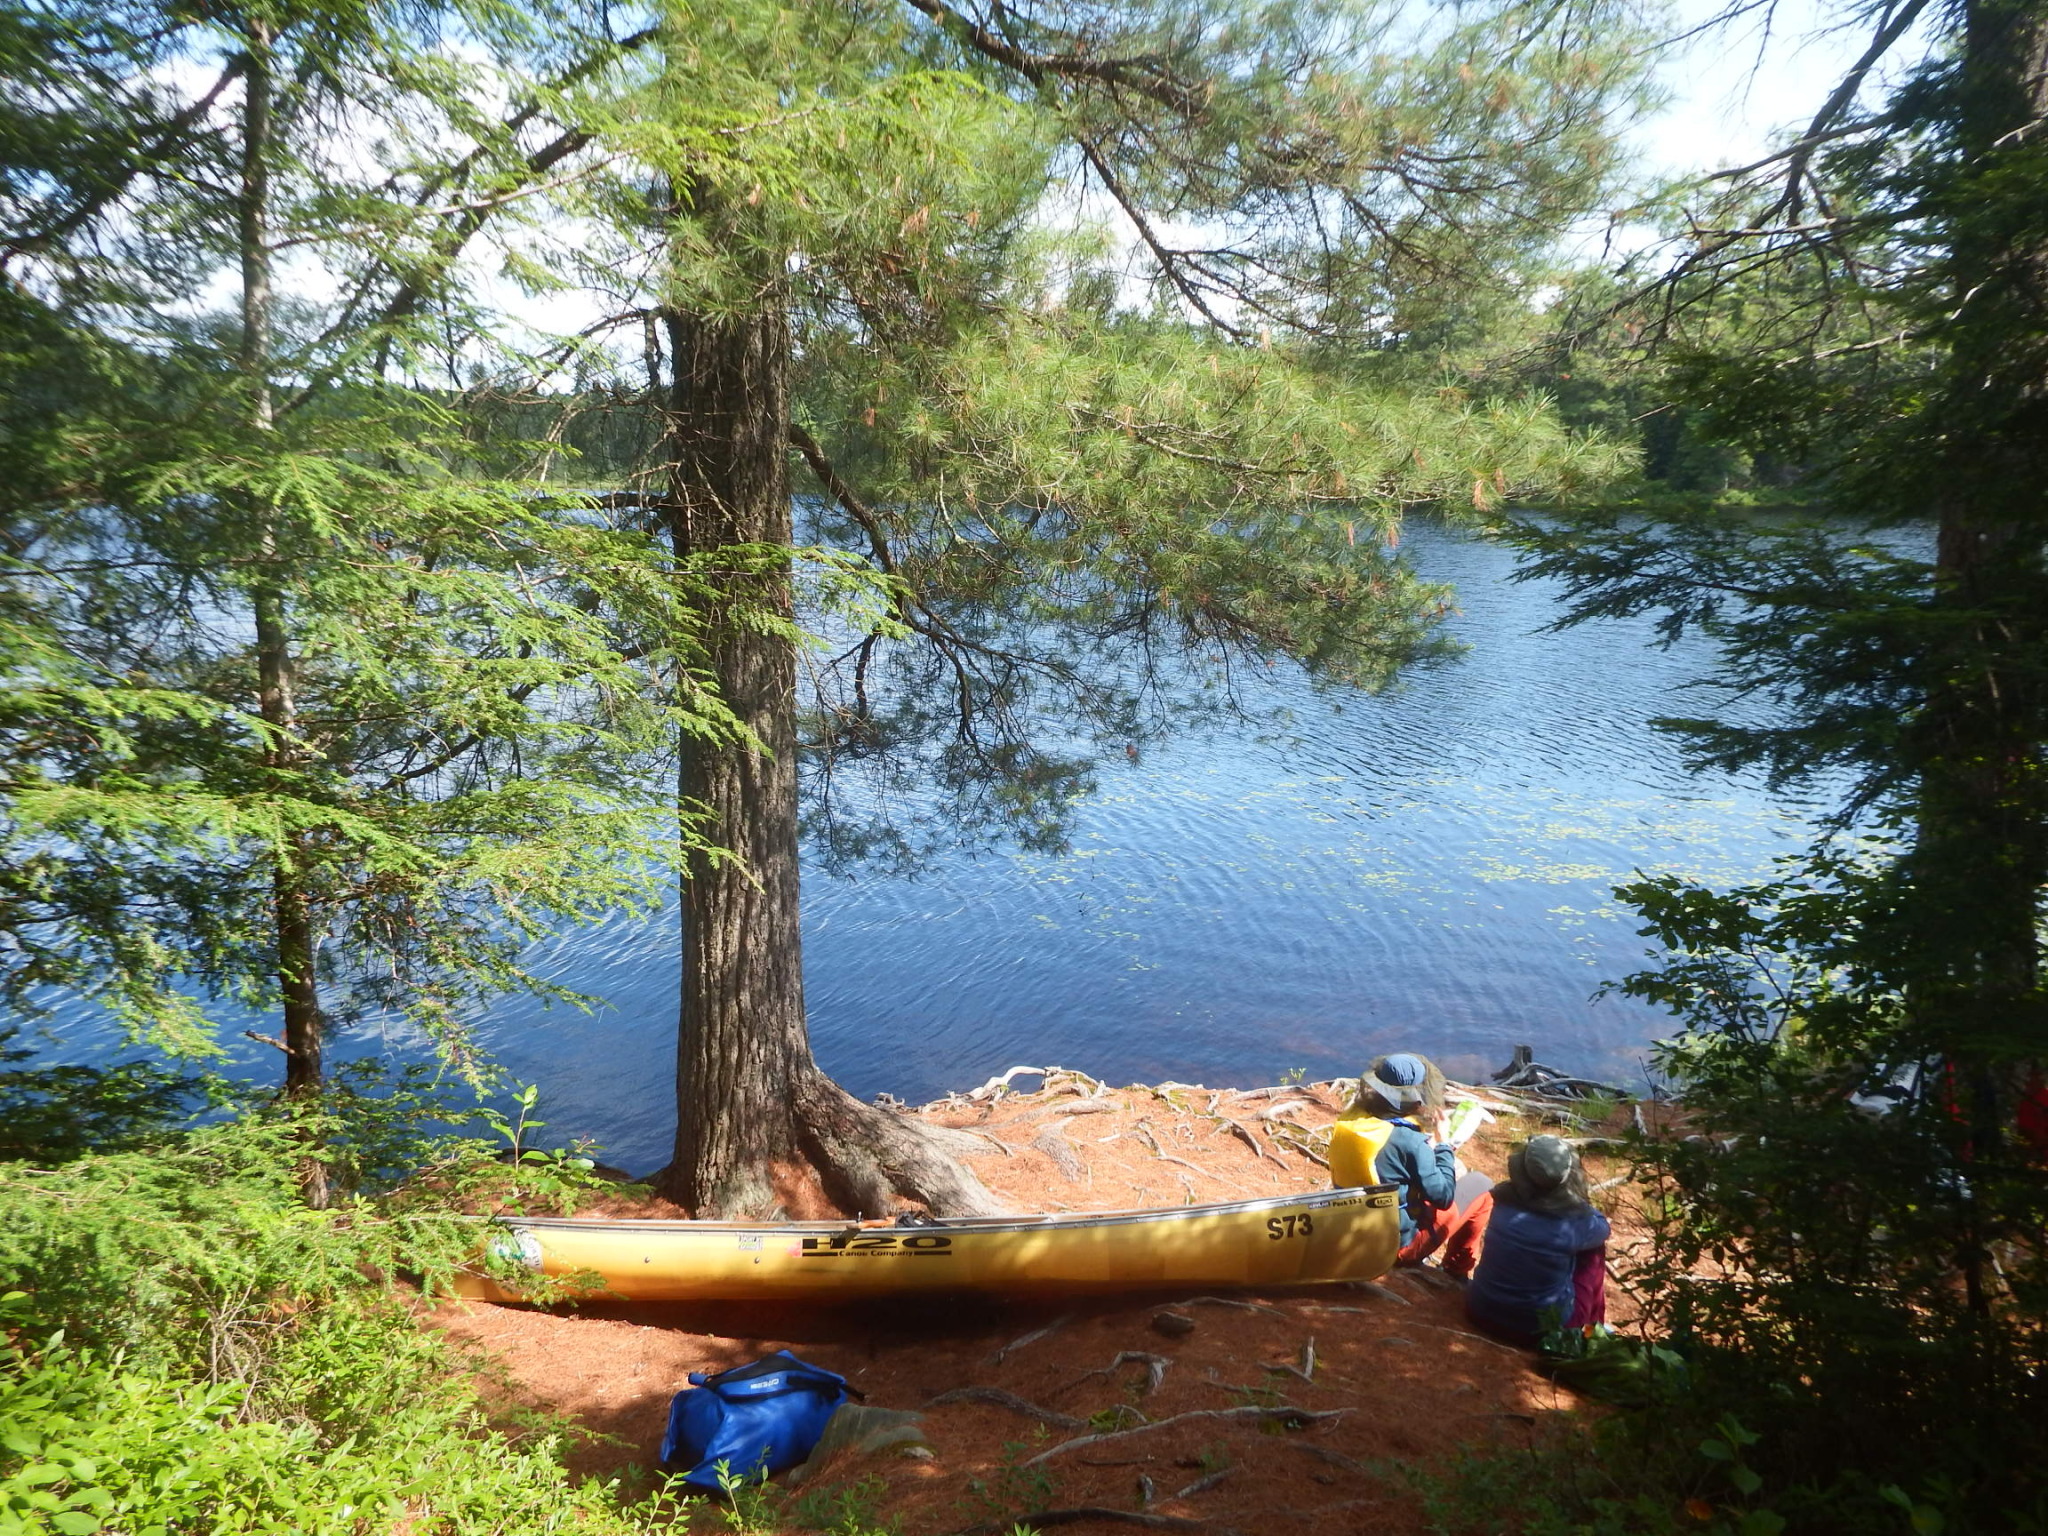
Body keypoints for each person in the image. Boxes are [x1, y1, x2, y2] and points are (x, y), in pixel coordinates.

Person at [1328, 1053, 1490, 1273]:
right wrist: (1444, 1145)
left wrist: (1426, 1147)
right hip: (1395, 1248)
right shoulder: (1410, 1142)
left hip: (1353, 1235)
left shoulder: (1352, 1118)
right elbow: (1443, 1197)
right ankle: (1455, 1270)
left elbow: (1391, 1158)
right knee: (1481, 1185)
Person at [1464, 1134, 1610, 1346]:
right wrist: (1578, 1204)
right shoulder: (1577, 1224)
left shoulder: (1502, 1201)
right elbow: (1603, 1228)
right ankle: (1589, 1331)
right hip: (1539, 1331)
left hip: (1480, 1310)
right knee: (1594, 1251)